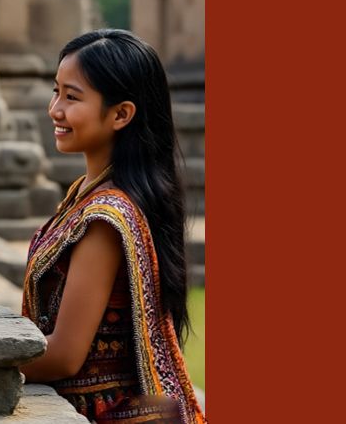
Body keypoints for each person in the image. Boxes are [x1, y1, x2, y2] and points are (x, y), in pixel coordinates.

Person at [19, 29, 205, 423]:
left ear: (120, 114)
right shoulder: (85, 194)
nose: (55, 109)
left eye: (72, 97)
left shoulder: (106, 218)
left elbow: (65, 356)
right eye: (56, 92)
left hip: (99, 413)